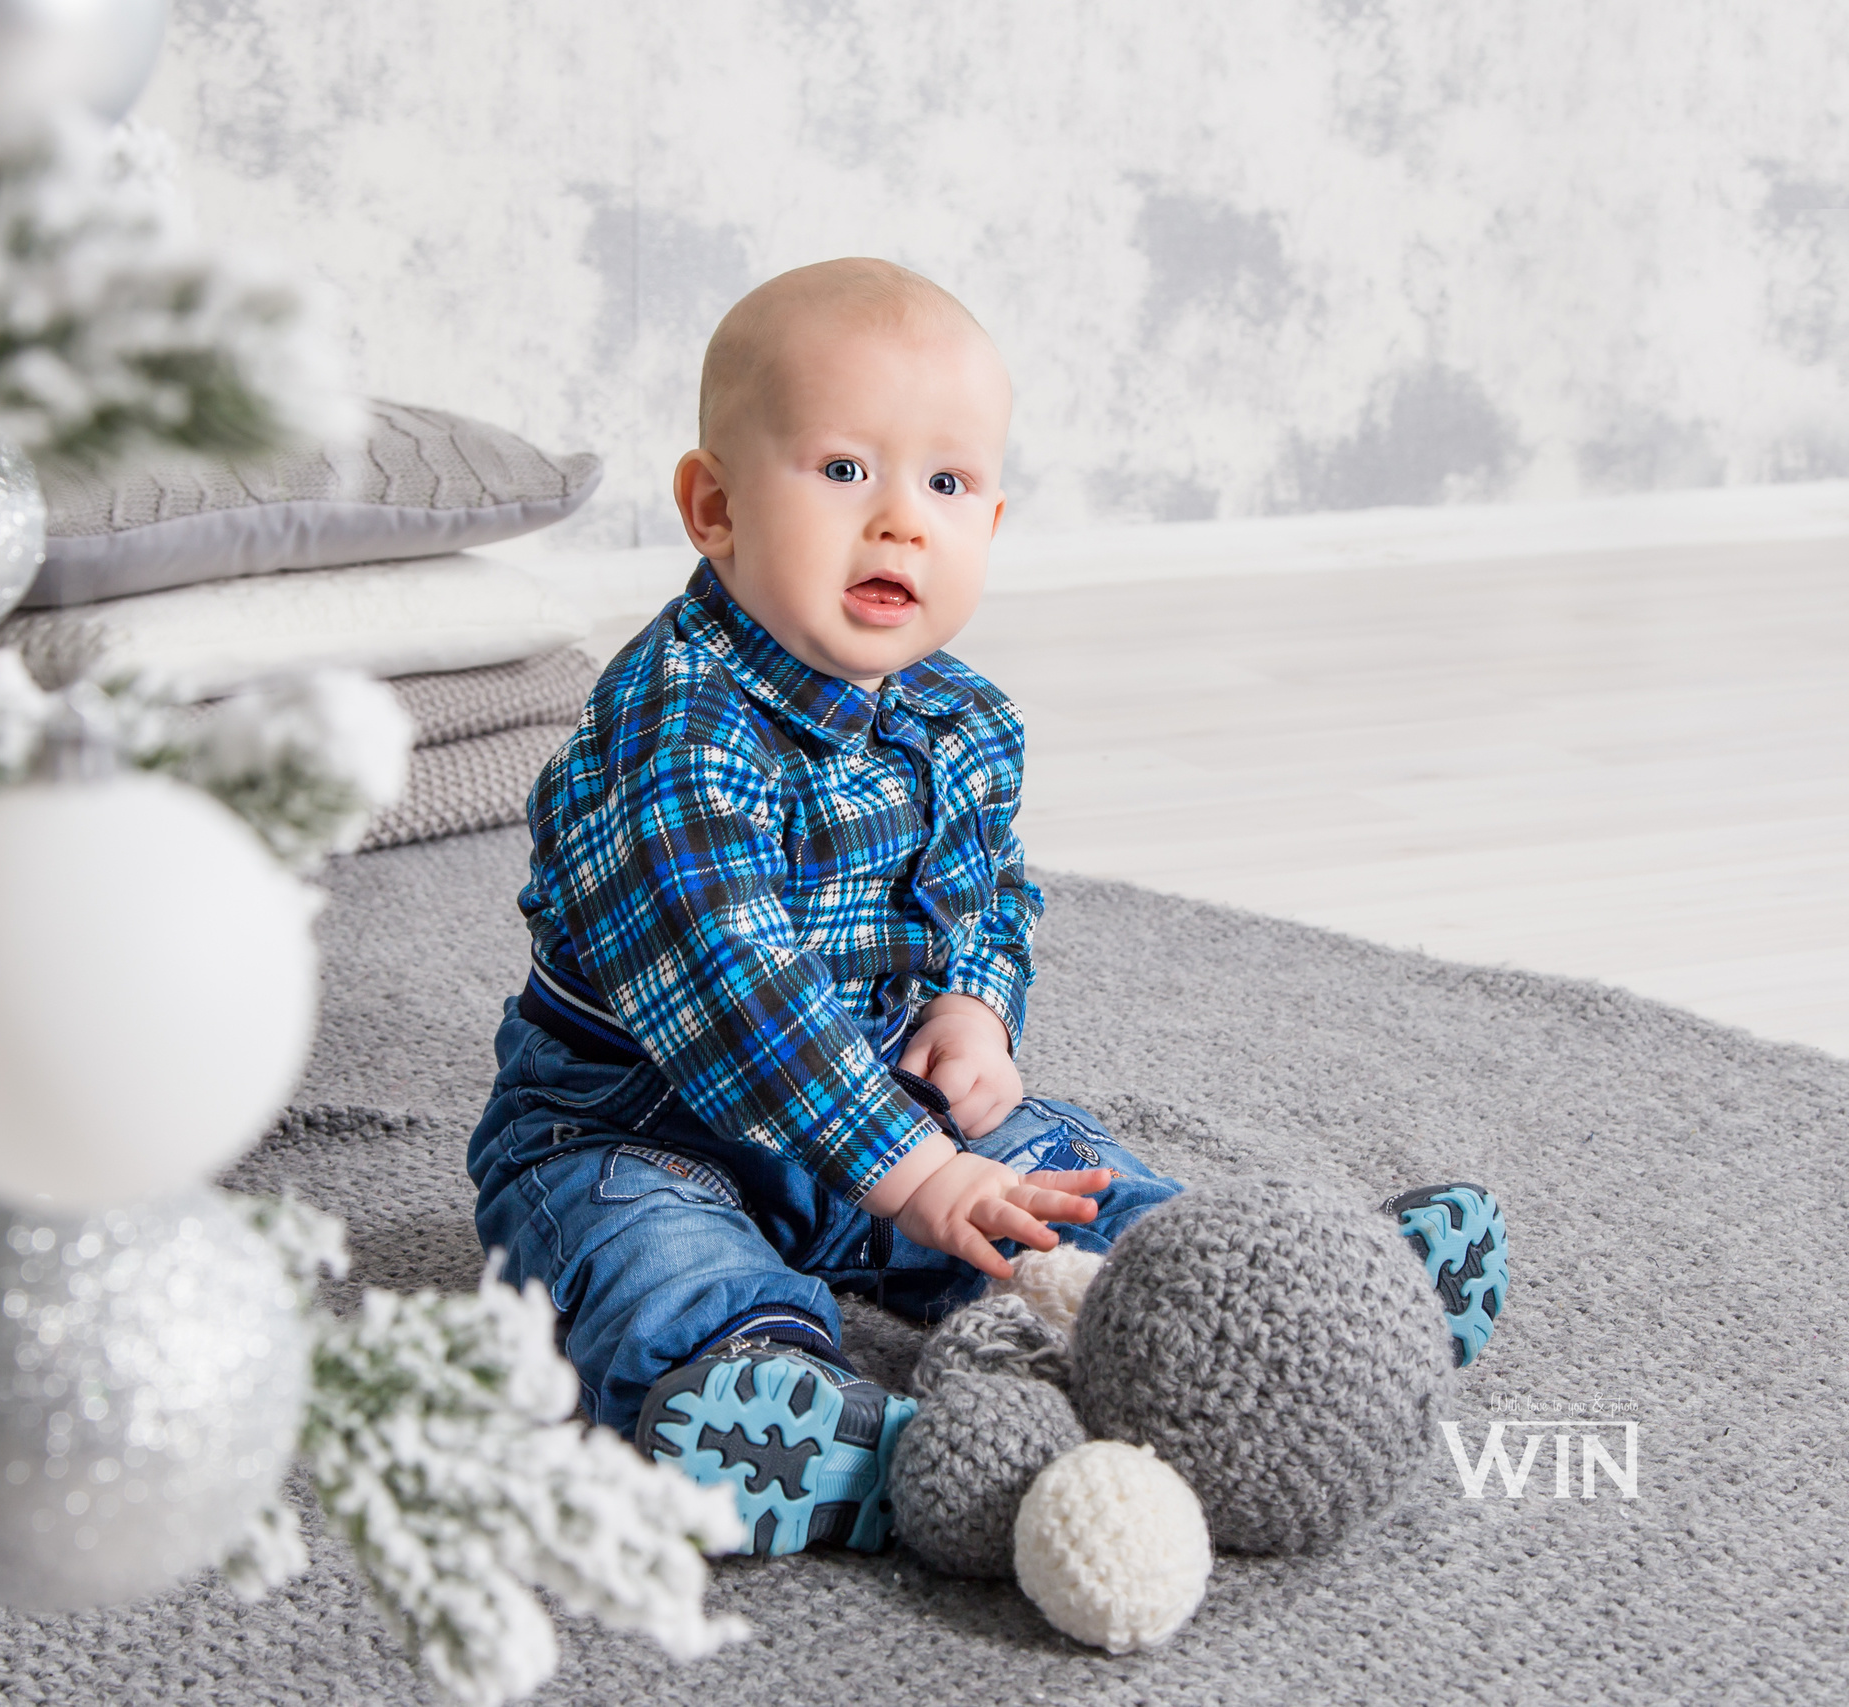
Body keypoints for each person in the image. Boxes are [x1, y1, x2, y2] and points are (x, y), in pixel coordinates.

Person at [466, 258, 1500, 1560]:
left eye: (945, 485)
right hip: (633, 1132)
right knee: (656, 1265)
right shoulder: (671, 735)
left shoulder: (958, 720)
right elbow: (734, 991)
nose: (900, 522)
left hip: (879, 1121)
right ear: (714, 508)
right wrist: (920, 1174)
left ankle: (1288, 1305)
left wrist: (974, 1001)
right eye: (845, 471)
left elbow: (988, 890)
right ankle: (794, 1432)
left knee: (1058, 1182)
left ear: (992, 523)